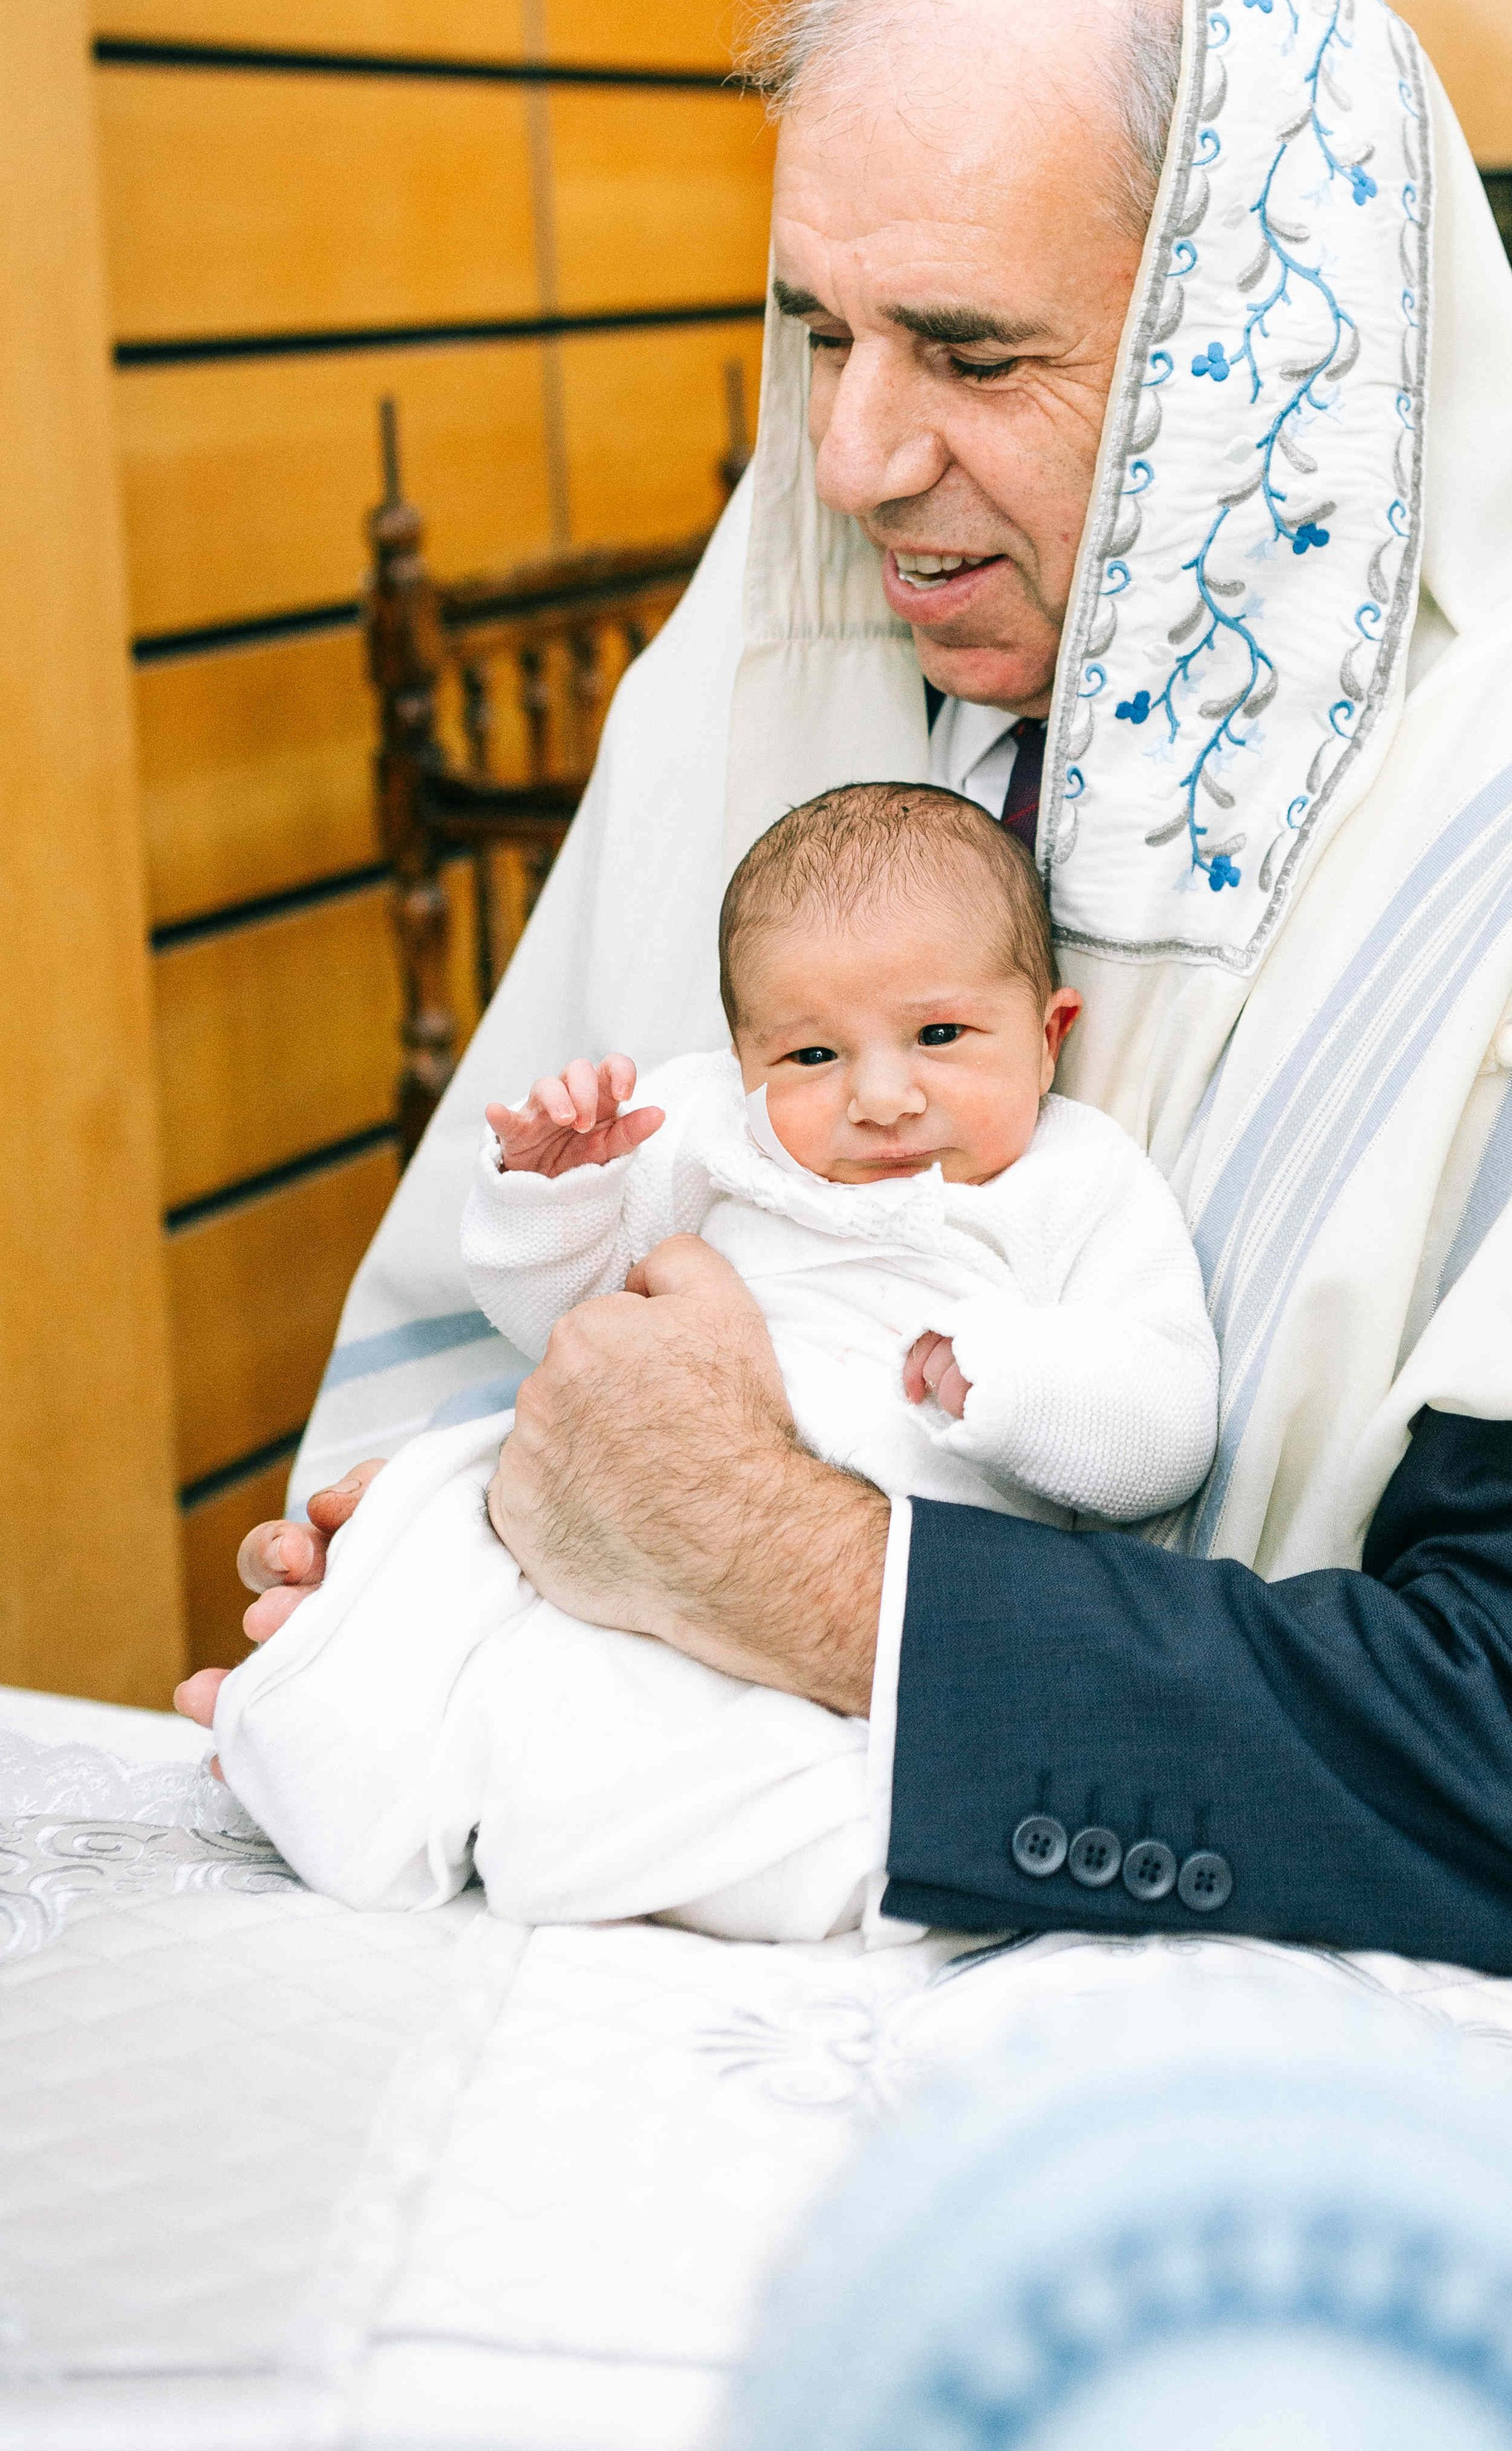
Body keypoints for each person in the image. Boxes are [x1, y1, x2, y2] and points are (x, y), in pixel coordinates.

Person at [189, 0, 1512, 1997]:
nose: (852, 458)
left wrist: (805, 1574)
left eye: (969, 351)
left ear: (1262, 369)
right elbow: (578, 1342)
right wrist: (460, 1539)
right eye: (819, 332)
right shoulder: (760, 722)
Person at [193, 785, 1216, 1929]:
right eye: (814, 1053)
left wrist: (1014, 1386)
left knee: (725, 1752)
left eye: (940, 1035)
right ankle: (325, 1737)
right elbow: (566, 1324)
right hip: (616, 1513)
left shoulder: (1077, 1181)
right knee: (438, 1516)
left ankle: (535, 1813)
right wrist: (555, 1191)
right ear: (743, 1062)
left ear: (1049, 1033)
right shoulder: (713, 1140)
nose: (882, 1098)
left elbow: (1168, 1426)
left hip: (854, 1584)